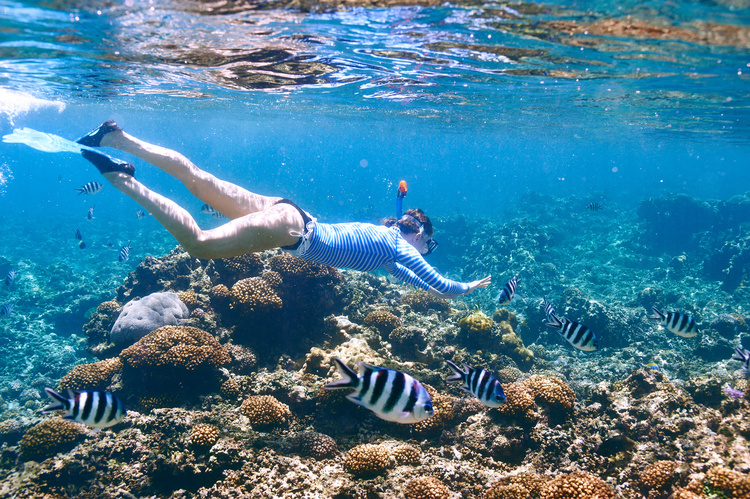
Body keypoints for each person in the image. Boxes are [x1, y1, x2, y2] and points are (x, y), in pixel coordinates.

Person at [74, 120, 491, 298]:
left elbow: (411, 279)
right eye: (428, 244)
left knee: (199, 180)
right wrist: (468, 287)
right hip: (292, 232)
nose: (425, 251)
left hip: (290, 212)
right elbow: (439, 286)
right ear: (417, 235)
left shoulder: (389, 246)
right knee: (199, 244)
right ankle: (118, 176)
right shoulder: (397, 247)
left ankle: (116, 137)